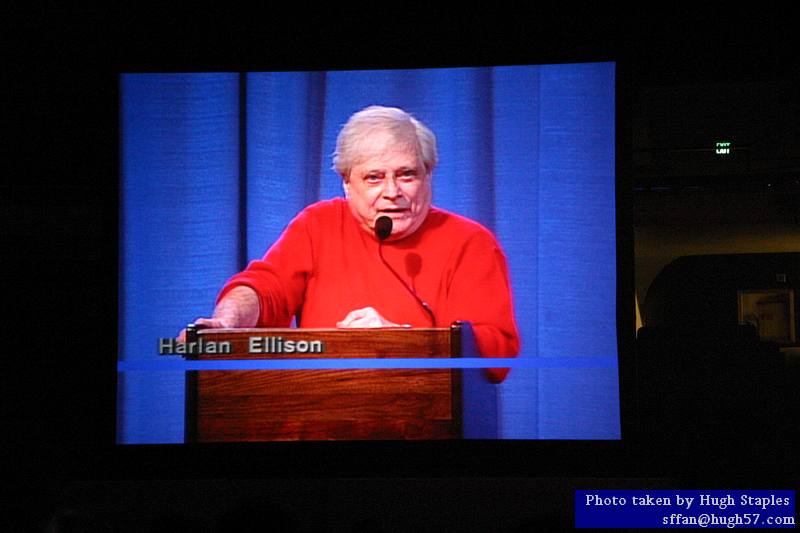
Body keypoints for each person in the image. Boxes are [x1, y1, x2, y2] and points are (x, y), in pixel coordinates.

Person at [183, 106, 519, 382]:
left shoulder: (470, 243)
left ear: (428, 174)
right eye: (374, 177)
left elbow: (496, 352)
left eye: (406, 175)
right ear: (346, 182)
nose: (392, 192)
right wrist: (227, 323)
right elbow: (266, 286)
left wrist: (402, 341)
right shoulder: (318, 225)